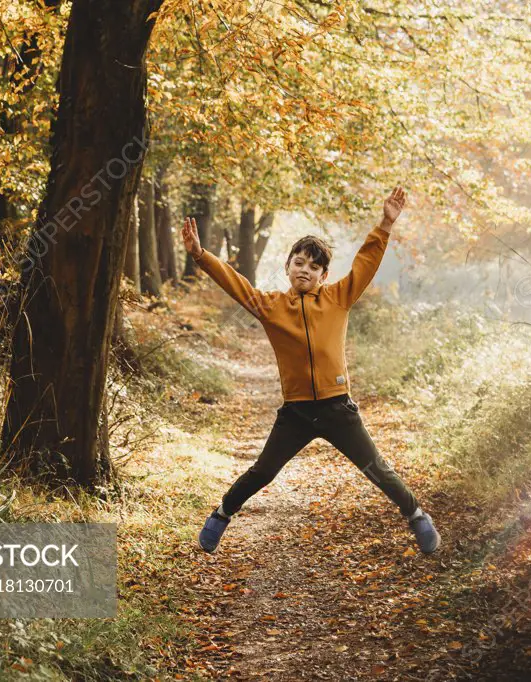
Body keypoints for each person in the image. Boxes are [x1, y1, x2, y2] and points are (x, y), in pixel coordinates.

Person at [181, 186, 440, 555]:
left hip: (338, 409)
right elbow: (234, 283)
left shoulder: (339, 297)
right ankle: (222, 514)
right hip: (297, 412)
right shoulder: (269, 306)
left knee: (377, 468)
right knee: (263, 472)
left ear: (323, 274)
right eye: (299, 262)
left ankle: (416, 516)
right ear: (287, 267)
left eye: (314, 266)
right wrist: (201, 255)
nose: (305, 270)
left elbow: (365, 263)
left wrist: (384, 223)